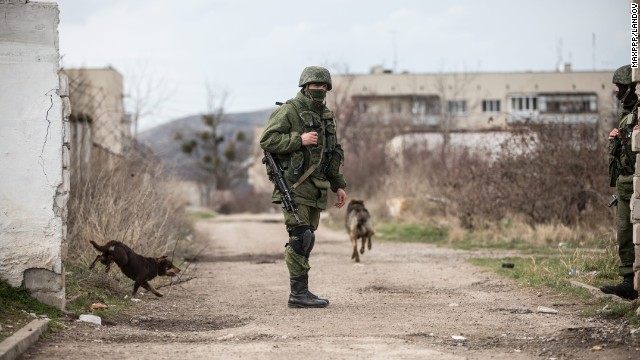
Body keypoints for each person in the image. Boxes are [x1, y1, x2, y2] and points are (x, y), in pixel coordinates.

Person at [260, 66, 347, 308]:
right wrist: (299, 140)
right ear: (304, 86)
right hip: (294, 185)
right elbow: (267, 140)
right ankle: (297, 294)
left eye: (323, 86)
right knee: (300, 236)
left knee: (308, 239)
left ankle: (302, 291)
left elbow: (332, 154)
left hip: (316, 187)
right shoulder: (290, 110)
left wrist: (337, 184)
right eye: (314, 85)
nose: (318, 90)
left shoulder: (326, 116)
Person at [602, 64, 639, 300]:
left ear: (629, 87)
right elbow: (619, 152)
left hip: (635, 182)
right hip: (625, 182)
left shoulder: (635, 112)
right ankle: (628, 281)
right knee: (624, 233)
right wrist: (614, 138)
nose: (617, 92)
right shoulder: (626, 113)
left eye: (619, 87)